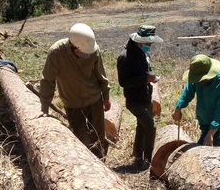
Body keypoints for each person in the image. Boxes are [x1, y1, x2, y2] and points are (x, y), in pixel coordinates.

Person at [37, 23, 111, 159]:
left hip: (94, 99)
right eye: (82, 52)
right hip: (73, 104)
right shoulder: (56, 53)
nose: (85, 55)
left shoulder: (93, 50)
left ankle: (101, 164)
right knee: (81, 139)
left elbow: (101, 75)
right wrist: (44, 108)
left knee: (99, 137)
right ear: (73, 46)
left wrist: (106, 96)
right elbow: (48, 80)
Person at [116, 24, 163, 169]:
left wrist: (150, 77)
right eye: (148, 43)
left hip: (146, 97)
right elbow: (123, 82)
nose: (149, 45)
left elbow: (146, 69)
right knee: (151, 126)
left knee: (141, 127)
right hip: (134, 101)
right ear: (139, 41)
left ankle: (137, 156)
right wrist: (145, 79)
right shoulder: (125, 57)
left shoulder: (143, 52)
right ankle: (148, 160)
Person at [172, 54, 220, 147]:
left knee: (203, 145)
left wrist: (211, 133)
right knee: (213, 144)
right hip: (203, 118)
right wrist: (178, 108)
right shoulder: (196, 79)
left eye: (200, 80)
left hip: (217, 121)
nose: (197, 82)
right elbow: (187, 93)